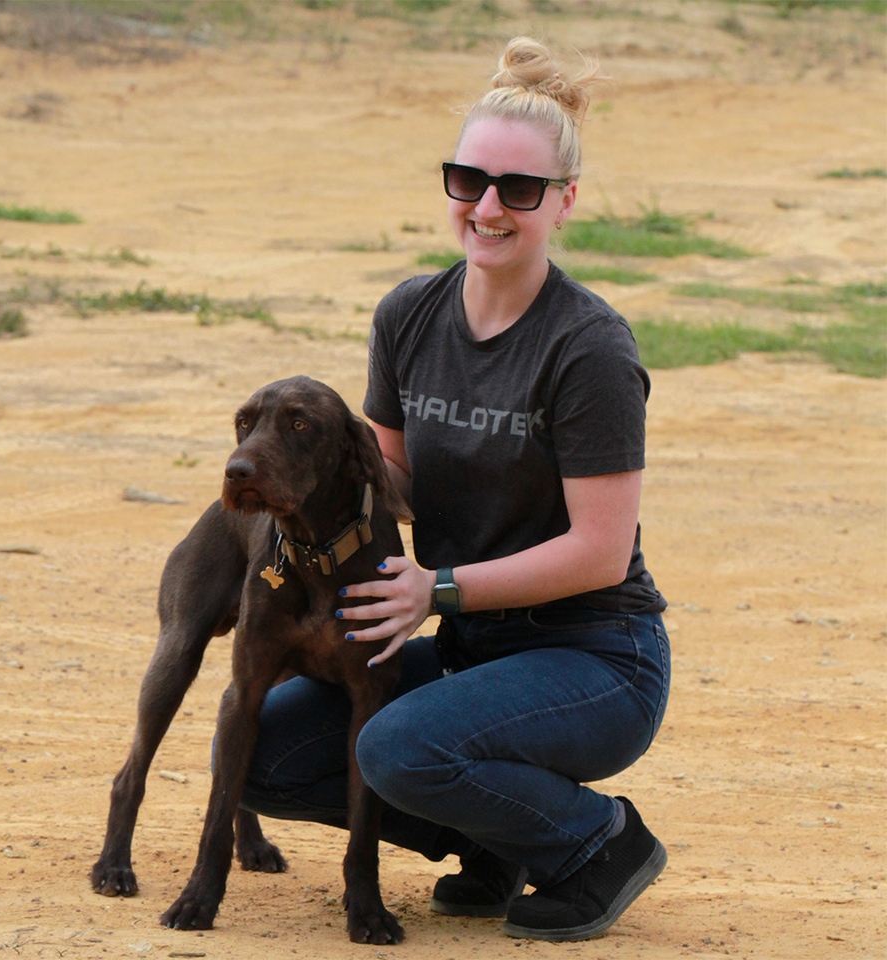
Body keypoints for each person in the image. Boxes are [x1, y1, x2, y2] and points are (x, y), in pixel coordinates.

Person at [240, 36, 670, 943]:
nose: (488, 207)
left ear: (564, 203)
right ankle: (499, 843)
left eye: (519, 190)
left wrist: (436, 590)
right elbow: (389, 484)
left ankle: (596, 841)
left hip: (595, 657)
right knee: (257, 751)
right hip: (474, 647)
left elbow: (597, 551)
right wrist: (290, 479)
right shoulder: (409, 313)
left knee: (397, 746)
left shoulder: (589, 348)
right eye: (467, 181)